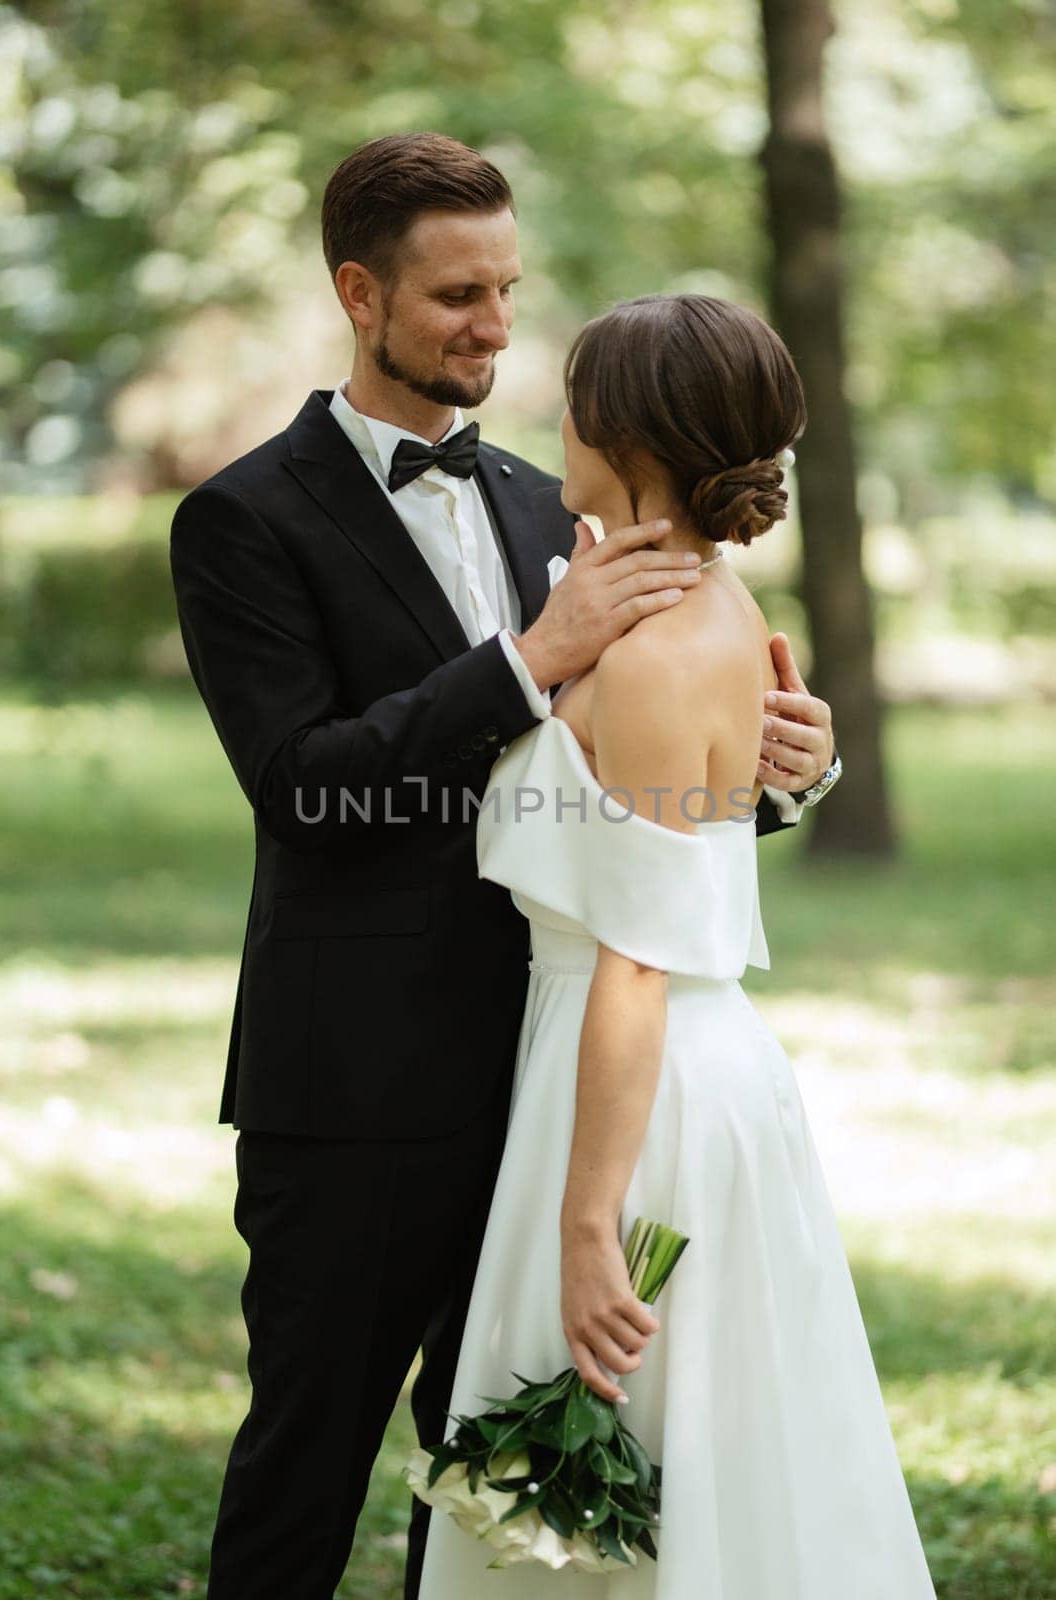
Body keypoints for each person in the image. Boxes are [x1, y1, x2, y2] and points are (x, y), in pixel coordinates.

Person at [168, 134, 837, 1600]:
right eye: (457, 295)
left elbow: (638, 798)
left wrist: (787, 764)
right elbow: (306, 793)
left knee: (485, 1499)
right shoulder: (240, 523)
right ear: (360, 293)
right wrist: (527, 659)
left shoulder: (557, 506)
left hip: (558, 1085)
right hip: (355, 1093)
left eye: (508, 289)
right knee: (306, 1464)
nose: (493, 324)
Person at [417, 294, 935, 1599]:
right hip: (629, 1063)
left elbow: (638, 957)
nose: (556, 423)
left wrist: (590, 1221)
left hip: (638, 1092)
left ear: (631, 434)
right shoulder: (696, 596)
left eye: (579, 402)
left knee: (644, 1445)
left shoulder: (652, 658)